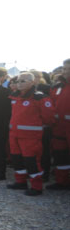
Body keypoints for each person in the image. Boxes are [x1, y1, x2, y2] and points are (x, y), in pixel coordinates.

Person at [6, 72, 55, 196]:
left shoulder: (40, 98)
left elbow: (49, 118)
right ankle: (21, 182)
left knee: (31, 161)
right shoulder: (15, 96)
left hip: (30, 137)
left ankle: (36, 187)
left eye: (23, 81)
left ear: (32, 82)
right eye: (18, 81)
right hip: (14, 135)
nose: (19, 84)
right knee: (17, 160)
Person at [48, 59, 70, 189]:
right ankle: (62, 181)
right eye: (64, 69)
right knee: (60, 155)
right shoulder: (57, 86)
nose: (66, 72)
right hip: (59, 127)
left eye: (68, 69)